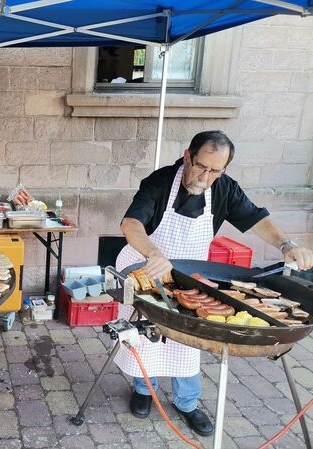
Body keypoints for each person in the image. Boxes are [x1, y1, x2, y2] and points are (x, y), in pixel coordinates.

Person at [114, 130, 313, 436]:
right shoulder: (159, 182)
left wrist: (286, 245)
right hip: (148, 266)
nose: (205, 177)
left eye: (215, 171)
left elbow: (257, 220)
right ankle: (144, 389)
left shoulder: (224, 189)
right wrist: (153, 252)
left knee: (188, 339)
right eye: (200, 167)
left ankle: (187, 403)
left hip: (191, 274)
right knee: (147, 333)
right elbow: (130, 223)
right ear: (187, 156)